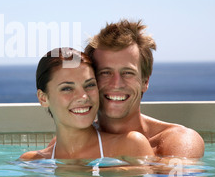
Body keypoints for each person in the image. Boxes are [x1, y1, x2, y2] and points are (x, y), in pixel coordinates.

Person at [85, 19, 205, 158]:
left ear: (145, 81)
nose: (116, 84)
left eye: (128, 73)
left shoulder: (179, 140)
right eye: (105, 72)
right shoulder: (67, 145)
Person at [20, 47, 154, 160]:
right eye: (67, 88)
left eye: (89, 85)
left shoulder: (130, 147)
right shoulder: (32, 162)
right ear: (43, 98)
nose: (83, 97)